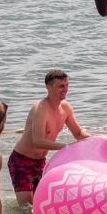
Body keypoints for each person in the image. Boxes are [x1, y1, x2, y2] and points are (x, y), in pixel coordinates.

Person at [9, 70, 92, 205]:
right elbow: (38, 141)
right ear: (48, 87)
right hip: (21, 161)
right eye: (61, 86)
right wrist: (66, 147)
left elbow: (78, 134)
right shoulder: (41, 109)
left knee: (41, 203)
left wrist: (95, 140)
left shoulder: (65, 108)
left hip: (40, 162)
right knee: (26, 207)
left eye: (67, 85)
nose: (65, 89)